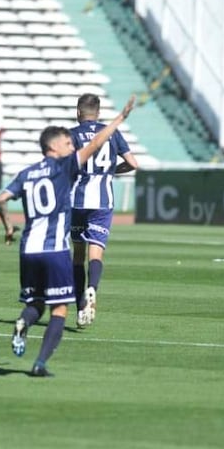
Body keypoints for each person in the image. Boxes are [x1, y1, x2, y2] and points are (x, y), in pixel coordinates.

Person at [0, 96, 135, 377]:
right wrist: (120, 118)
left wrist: (9, 228)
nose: (72, 147)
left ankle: (24, 322)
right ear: (54, 147)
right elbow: (98, 146)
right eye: (68, 145)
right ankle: (41, 362)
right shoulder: (64, 167)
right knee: (60, 308)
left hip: (29, 247)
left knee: (36, 302)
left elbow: (1, 199)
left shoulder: (27, 173)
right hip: (58, 246)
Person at [69, 93, 139, 327]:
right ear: (98, 113)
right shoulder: (111, 132)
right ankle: (92, 288)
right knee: (95, 252)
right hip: (102, 200)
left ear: (78, 112)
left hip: (77, 200)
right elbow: (133, 163)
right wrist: (110, 170)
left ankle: (80, 307)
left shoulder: (72, 134)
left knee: (78, 255)